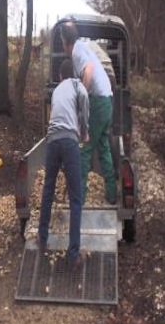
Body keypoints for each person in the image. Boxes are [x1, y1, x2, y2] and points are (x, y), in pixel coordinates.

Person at [38, 59, 89, 269]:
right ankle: (73, 255)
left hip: (52, 141)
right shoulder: (77, 85)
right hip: (69, 142)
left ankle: (42, 239)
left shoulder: (57, 90)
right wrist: (84, 131)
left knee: (48, 190)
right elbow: (85, 98)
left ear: (60, 76)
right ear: (73, 75)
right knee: (76, 199)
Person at [60, 21, 117, 205]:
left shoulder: (76, 51)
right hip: (107, 99)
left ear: (64, 41)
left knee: (84, 149)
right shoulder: (84, 47)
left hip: (98, 101)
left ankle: (79, 198)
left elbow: (89, 70)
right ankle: (111, 193)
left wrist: (81, 99)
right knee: (103, 148)